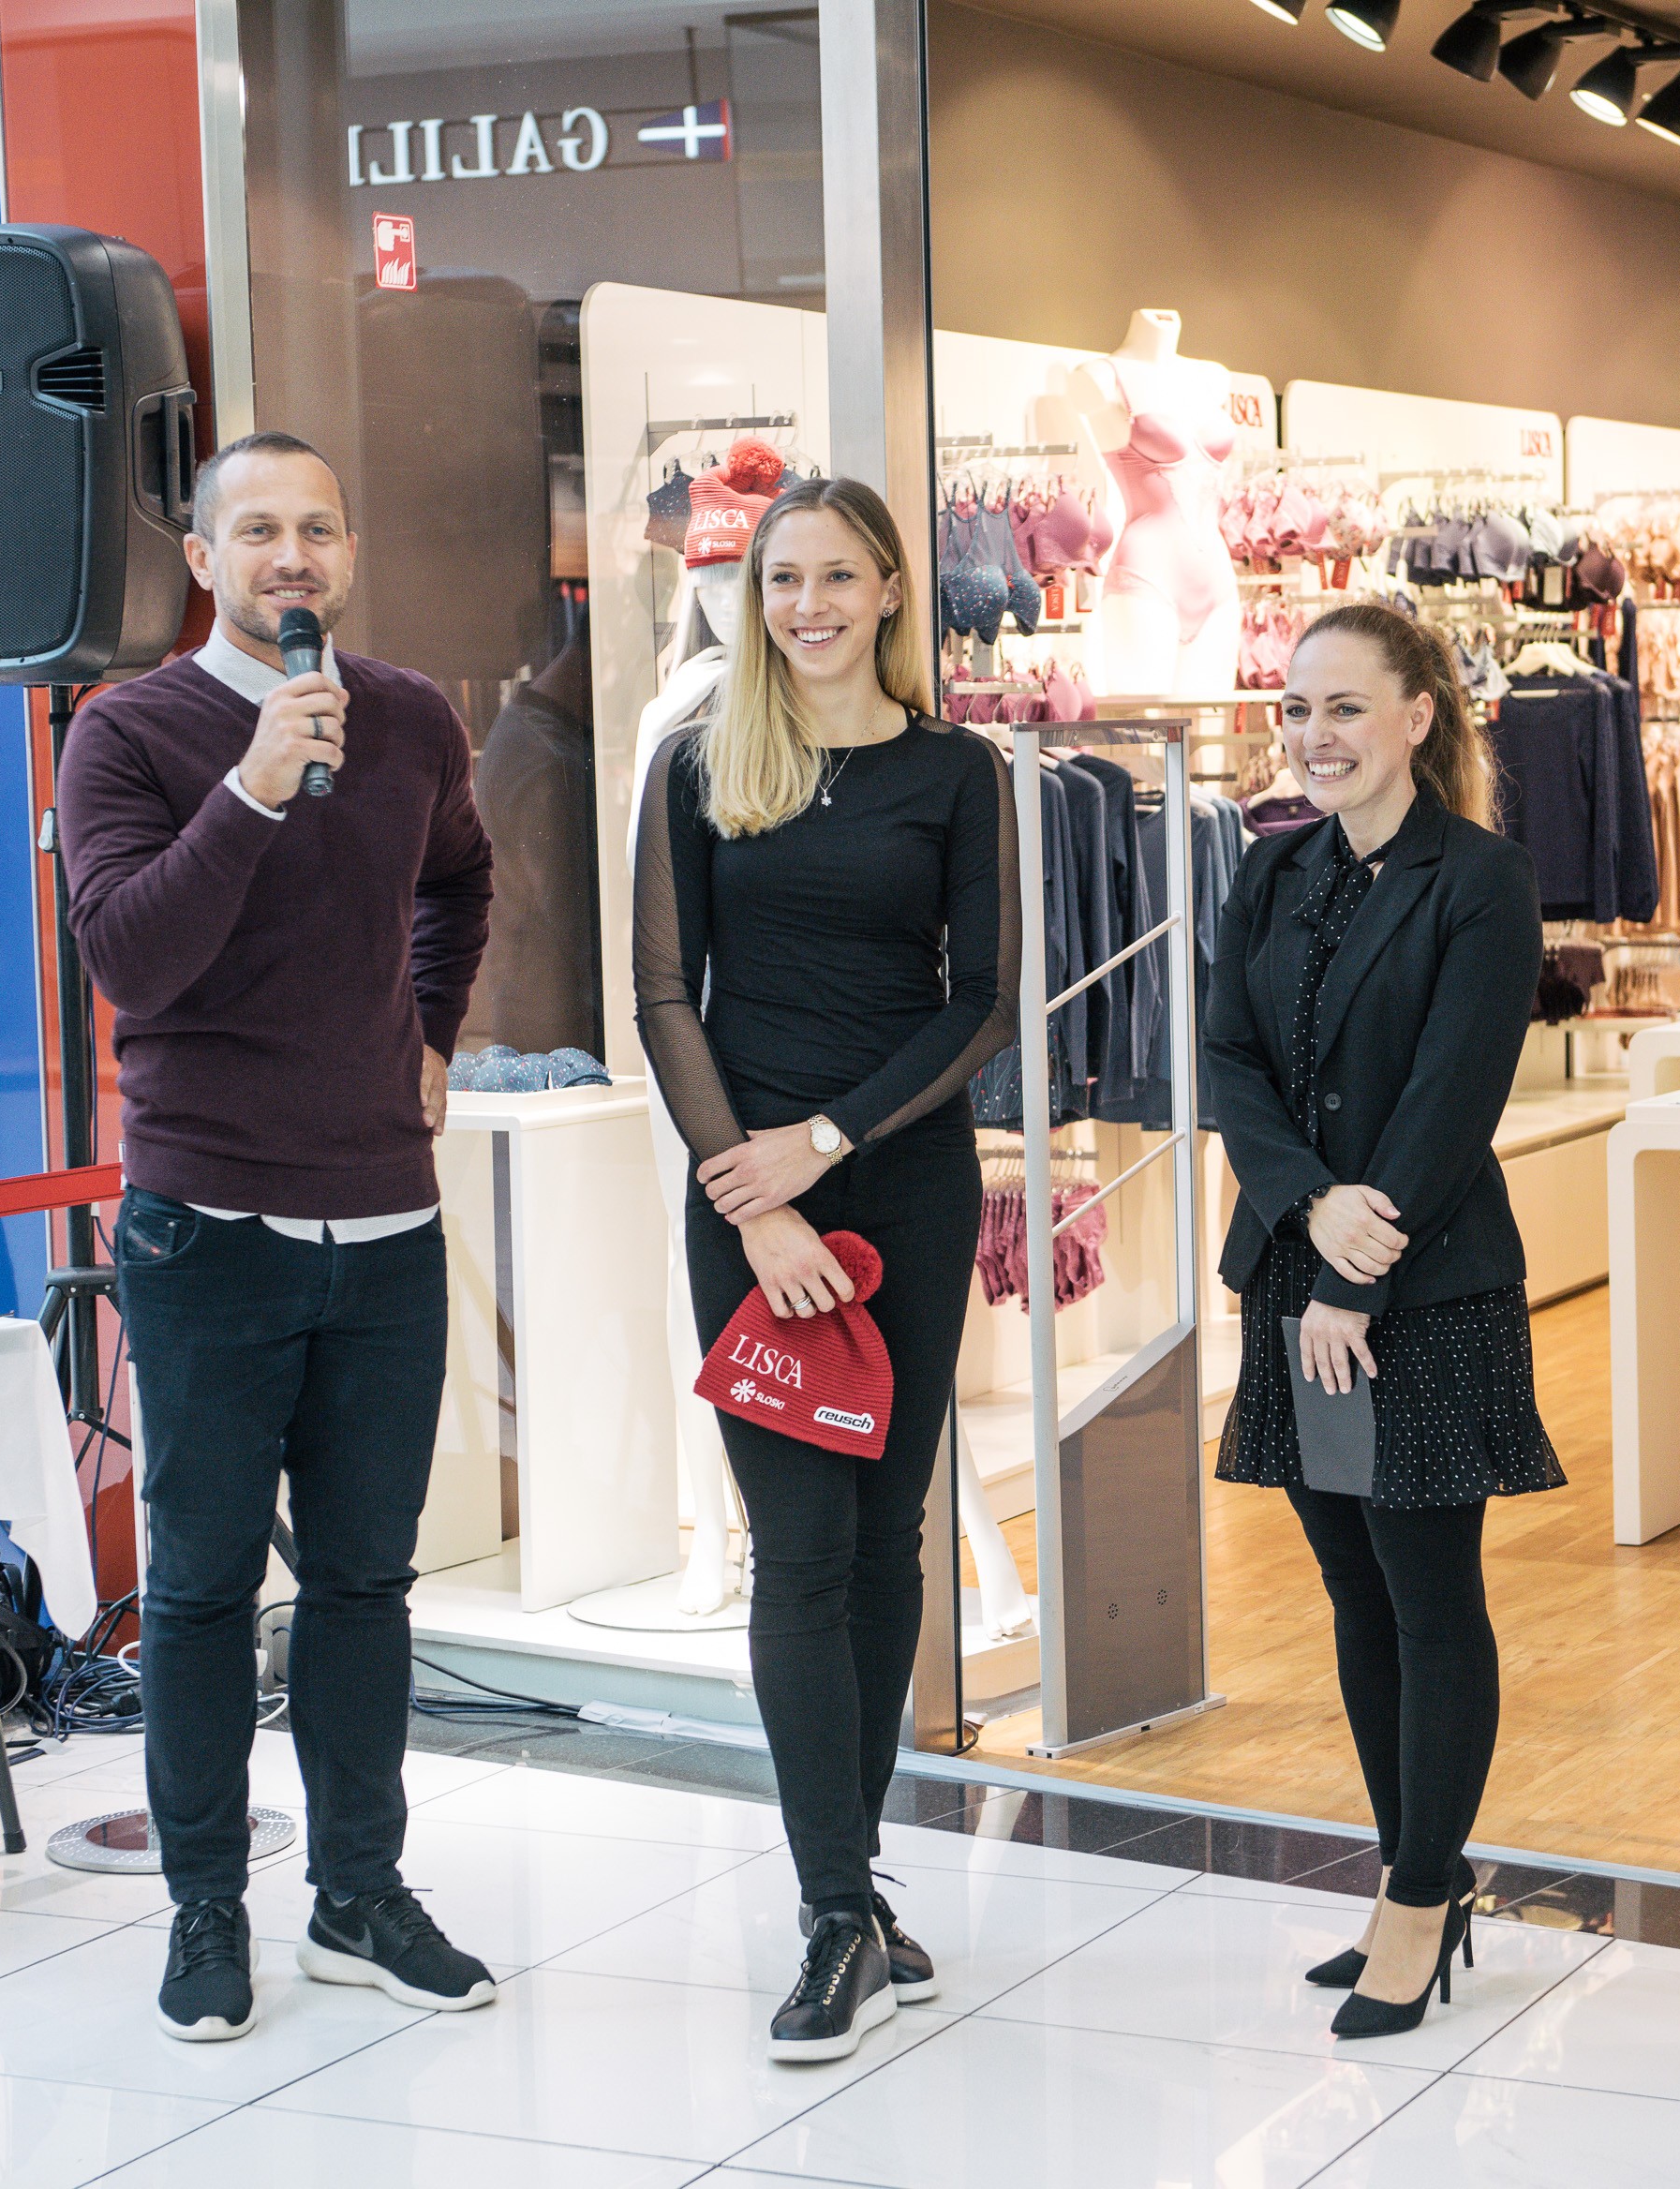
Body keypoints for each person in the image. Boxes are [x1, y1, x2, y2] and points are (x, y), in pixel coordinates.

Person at [56, 431, 498, 2042]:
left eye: (318, 527)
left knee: (367, 1582)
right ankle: (205, 1909)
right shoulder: (128, 732)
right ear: (203, 559)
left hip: (385, 1219)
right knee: (198, 1589)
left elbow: (460, 882)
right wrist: (250, 789)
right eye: (257, 531)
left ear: (351, 551)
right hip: (210, 1227)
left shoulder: (412, 718)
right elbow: (131, 957)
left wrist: (431, 1029)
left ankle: (358, 1895)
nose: (292, 556)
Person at [632, 475, 1013, 2062]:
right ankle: (834, 1910)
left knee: (886, 1542)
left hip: (901, 1186)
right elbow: (664, 994)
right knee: (797, 1548)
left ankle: (850, 1896)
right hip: (747, 1204)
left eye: (838, 577)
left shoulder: (958, 772)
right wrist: (755, 1194)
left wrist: (831, 1142)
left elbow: (983, 1004)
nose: (808, 606)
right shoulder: (700, 760)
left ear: (891, 590)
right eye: (782, 579)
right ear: (753, 596)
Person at [1203, 602, 1558, 2040]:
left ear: (1418, 717)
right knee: (1352, 1587)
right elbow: (1228, 1059)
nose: (1315, 735)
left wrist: (1361, 1264)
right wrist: (1308, 1210)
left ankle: (1422, 1896)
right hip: (1300, 1276)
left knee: (1428, 1590)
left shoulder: (1481, 879)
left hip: (1422, 1290)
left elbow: (1454, 1095)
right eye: (1298, 709)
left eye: (1345, 707)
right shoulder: (1270, 869)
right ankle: (1413, 1871)